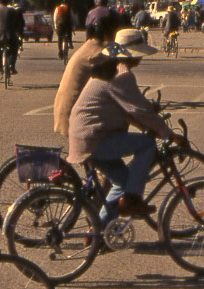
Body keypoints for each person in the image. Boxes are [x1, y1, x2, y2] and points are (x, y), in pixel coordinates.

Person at [68, 29, 186, 220]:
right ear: (133, 56)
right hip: (95, 138)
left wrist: (149, 127)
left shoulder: (108, 69)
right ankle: (132, 199)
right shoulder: (122, 76)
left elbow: (129, 109)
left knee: (122, 181)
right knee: (147, 145)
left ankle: (98, 233)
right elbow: (138, 110)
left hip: (84, 137)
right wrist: (169, 134)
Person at [53, 11, 120, 140]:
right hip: (77, 122)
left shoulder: (88, 47)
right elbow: (116, 86)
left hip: (66, 114)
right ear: (109, 33)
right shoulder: (98, 55)